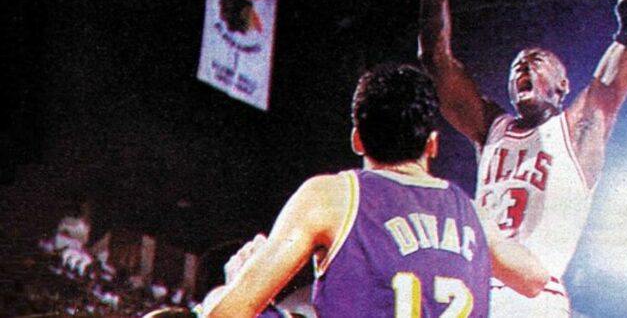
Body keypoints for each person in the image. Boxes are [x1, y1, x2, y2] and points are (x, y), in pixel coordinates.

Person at [418, 0, 627, 317]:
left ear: (563, 86)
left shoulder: (581, 125)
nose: (522, 66)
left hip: (534, 298)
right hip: (475, 292)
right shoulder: (491, 127)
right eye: (516, 66)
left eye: (536, 61)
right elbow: (435, 56)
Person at [196, 63, 548, 317]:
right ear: (433, 144)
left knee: (215, 300)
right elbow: (535, 280)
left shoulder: (329, 197)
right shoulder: (473, 214)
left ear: (357, 140)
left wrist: (236, 283)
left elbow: (225, 315)